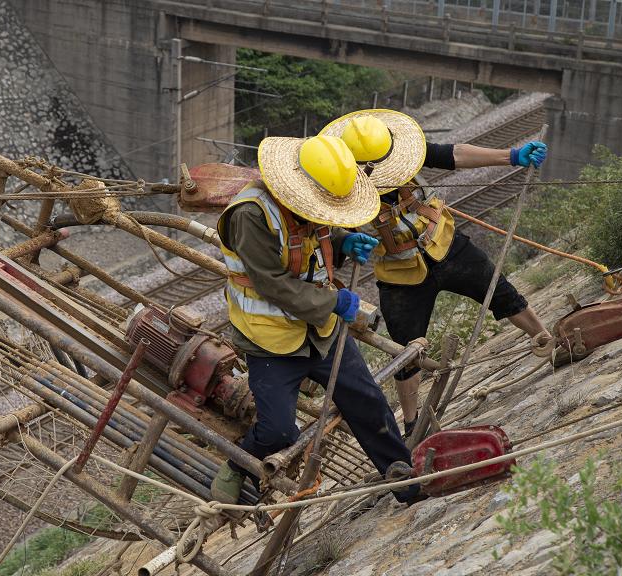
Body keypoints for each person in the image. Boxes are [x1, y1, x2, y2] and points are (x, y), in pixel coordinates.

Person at [209, 133, 421, 506]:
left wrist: (341, 244)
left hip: (320, 331)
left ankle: (406, 481)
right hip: (269, 337)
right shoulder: (249, 216)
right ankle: (238, 464)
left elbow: (310, 241)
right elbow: (272, 283)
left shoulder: (313, 205)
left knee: (367, 402)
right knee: (276, 432)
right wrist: (335, 300)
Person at [320, 110, 550, 436]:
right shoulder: (340, 186)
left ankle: (546, 340)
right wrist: (344, 241)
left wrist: (511, 156)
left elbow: (453, 153)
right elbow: (325, 230)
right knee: (405, 351)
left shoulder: (403, 152)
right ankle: (413, 425)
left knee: (501, 292)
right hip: (400, 274)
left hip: (444, 244)